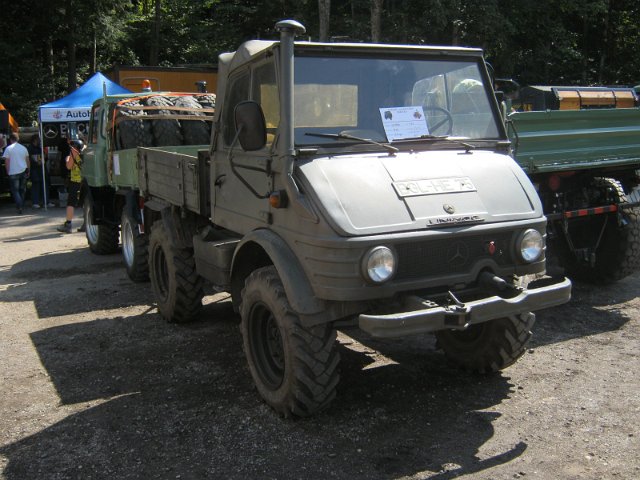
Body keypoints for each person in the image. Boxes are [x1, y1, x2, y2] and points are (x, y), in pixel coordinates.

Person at [56, 139, 84, 233]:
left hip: (75, 180)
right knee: (85, 202)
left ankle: (68, 224)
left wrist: (67, 158)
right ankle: (86, 224)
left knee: (71, 203)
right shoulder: (85, 151)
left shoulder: (73, 152)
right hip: (85, 180)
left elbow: (69, 166)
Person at [2, 132, 30, 214]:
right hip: (23, 170)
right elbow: (27, 160)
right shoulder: (24, 148)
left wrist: (7, 171)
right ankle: (21, 204)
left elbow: (7, 161)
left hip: (13, 171)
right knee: (22, 189)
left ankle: (19, 205)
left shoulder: (8, 149)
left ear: (10, 139)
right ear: (18, 139)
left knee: (15, 190)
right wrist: (28, 170)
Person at [27, 134, 53, 208]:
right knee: (36, 186)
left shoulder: (40, 148)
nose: (40, 140)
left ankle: (46, 202)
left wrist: (45, 156)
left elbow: (44, 158)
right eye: (38, 139)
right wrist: (35, 163)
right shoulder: (30, 148)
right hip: (35, 170)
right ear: (35, 140)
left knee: (45, 186)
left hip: (42, 169)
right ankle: (35, 202)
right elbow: (29, 159)